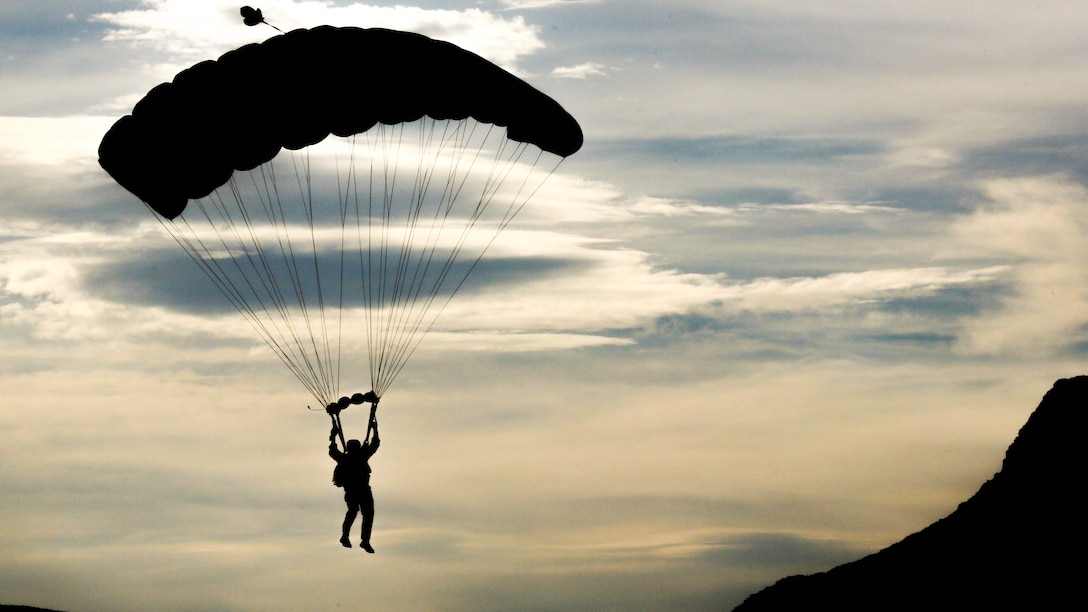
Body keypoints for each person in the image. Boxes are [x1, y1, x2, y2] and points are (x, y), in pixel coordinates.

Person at [329, 416, 380, 552]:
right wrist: (375, 429)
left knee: (357, 512)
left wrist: (333, 436)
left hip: (357, 490)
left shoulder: (345, 458)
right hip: (357, 490)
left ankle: (356, 538)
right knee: (361, 512)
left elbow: (333, 451)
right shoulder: (358, 457)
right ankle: (356, 538)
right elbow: (375, 444)